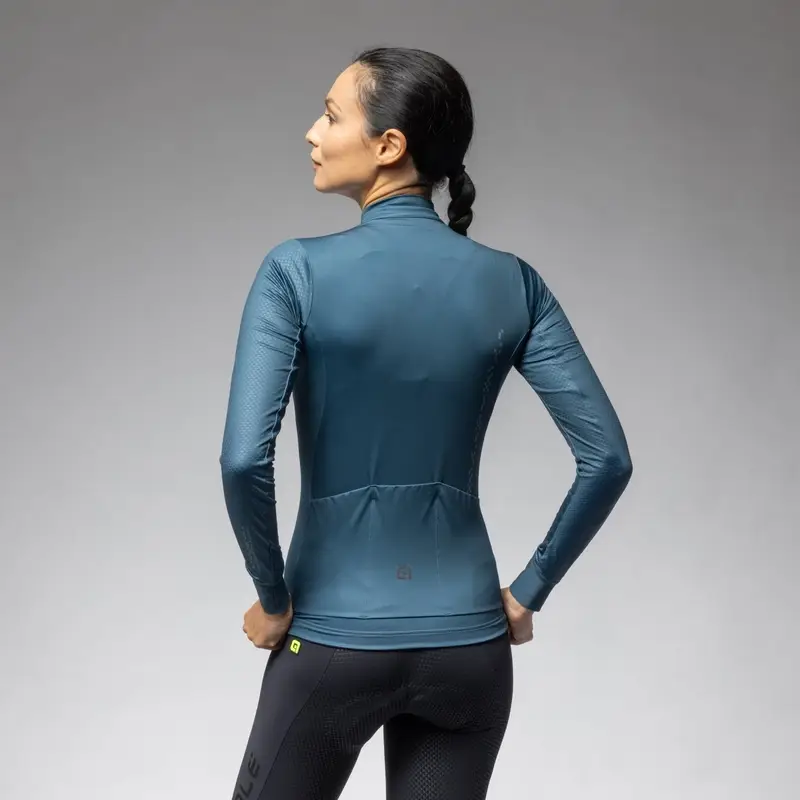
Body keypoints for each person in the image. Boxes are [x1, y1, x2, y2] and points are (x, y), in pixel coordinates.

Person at [219, 46, 633, 800]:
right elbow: (607, 458)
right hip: (471, 649)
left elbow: (246, 460)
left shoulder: (294, 272)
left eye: (331, 115)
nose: (313, 131)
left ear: (389, 146)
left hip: (332, 641)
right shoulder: (514, 283)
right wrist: (528, 589)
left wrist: (273, 600)